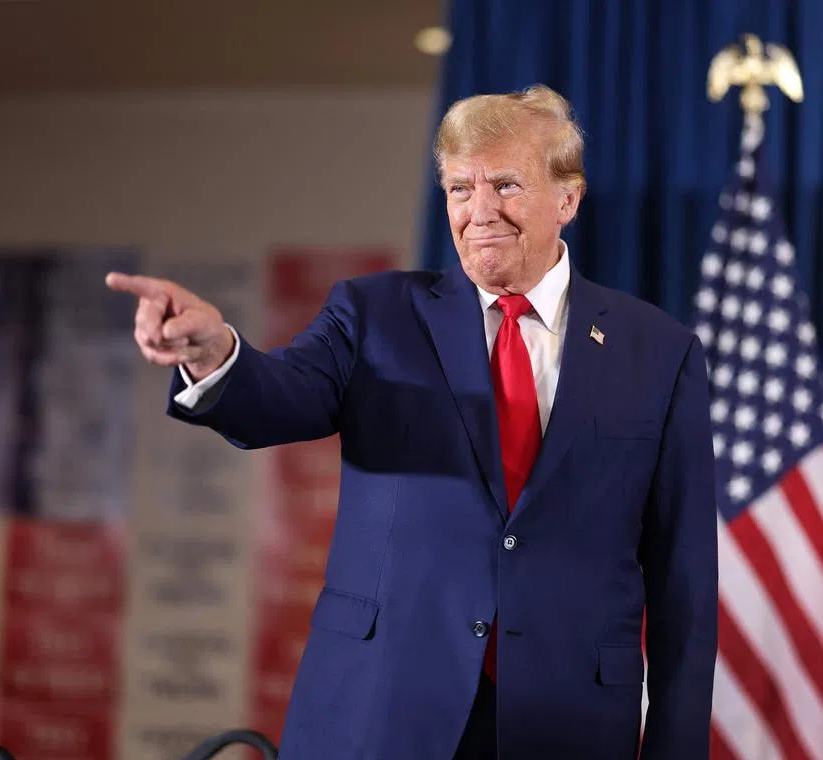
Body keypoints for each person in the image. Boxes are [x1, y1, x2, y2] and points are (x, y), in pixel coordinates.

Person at [106, 84, 717, 760]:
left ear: (567, 199)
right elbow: (278, 395)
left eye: (506, 185)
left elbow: (684, 582)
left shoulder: (657, 352)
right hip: (382, 708)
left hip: (567, 724)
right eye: (460, 189)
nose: (479, 211)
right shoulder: (375, 316)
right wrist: (214, 351)